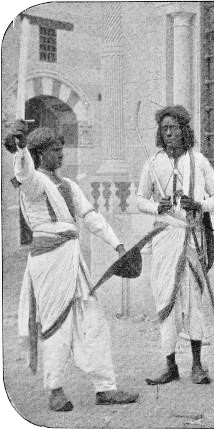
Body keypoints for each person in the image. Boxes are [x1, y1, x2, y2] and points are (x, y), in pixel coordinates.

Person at [4, 122, 138, 412]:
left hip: (73, 262)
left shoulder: (69, 185)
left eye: (61, 149)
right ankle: (55, 390)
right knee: (57, 325)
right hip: (48, 263)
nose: (61, 154)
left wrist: (117, 244)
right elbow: (24, 174)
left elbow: (91, 218)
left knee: (94, 321)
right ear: (41, 153)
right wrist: (20, 149)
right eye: (55, 150)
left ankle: (105, 388)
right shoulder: (34, 183)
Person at [136, 105, 214, 385]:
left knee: (193, 300)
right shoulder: (153, 163)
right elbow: (140, 200)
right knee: (165, 299)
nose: (169, 133)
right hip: (165, 237)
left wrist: (199, 205)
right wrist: (157, 207)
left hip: (191, 236)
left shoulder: (198, 161)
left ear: (184, 130)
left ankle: (197, 365)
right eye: (164, 129)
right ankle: (170, 365)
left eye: (173, 128)